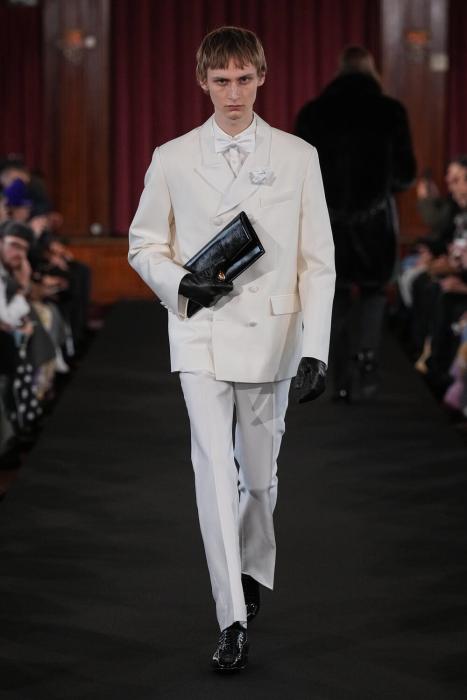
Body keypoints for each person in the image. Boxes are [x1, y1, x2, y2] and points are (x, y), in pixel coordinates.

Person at [128, 26, 335, 672]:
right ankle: (231, 619)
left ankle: (249, 566)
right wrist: (178, 283)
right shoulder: (172, 158)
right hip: (201, 333)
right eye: (221, 81)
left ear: (262, 78)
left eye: (244, 79)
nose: (234, 93)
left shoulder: (298, 156)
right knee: (214, 472)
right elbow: (143, 243)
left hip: (272, 335)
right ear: (202, 82)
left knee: (260, 479)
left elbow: (318, 261)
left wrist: (316, 346)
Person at [295, 45, 416, 402]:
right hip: (375, 220)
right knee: (374, 291)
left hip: (327, 221)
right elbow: (406, 174)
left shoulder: (313, 113)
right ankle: (367, 358)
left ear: (339, 70)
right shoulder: (391, 112)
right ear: (371, 71)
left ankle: (341, 379)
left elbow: (298, 174)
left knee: (336, 294)